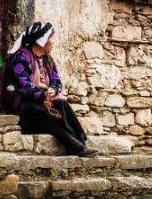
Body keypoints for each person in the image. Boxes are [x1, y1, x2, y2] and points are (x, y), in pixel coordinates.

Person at [6, 22, 93, 156]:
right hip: (24, 108)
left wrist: (53, 89)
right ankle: (77, 146)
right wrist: (44, 93)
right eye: (50, 38)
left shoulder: (48, 60)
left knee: (62, 104)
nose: (52, 42)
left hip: (42, 103)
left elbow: (56, 80)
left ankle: (81, 142)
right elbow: (24, 87)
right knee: (51, 119)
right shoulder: (21, 57)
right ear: (41, 41)